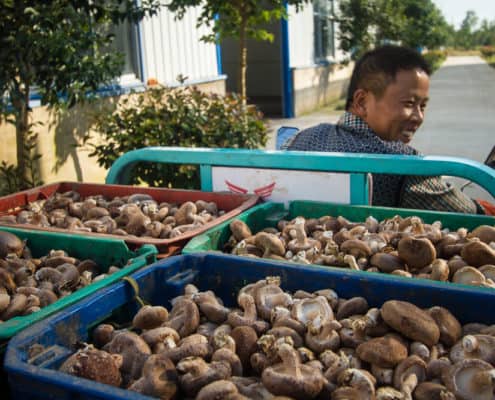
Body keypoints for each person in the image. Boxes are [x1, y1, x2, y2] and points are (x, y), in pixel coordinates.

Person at [284, 45, 494, 215]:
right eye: (409, 103)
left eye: (423, 106)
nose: (418, 117)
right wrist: (482, 208)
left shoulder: (296, 140)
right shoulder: (406, 166)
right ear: (362, 102)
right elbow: (465, 213)